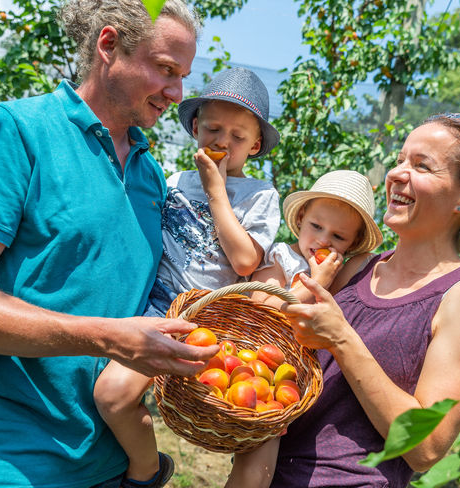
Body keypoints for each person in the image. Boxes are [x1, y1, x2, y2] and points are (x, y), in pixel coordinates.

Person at [0, 2, 223, 488]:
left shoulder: (149, 176)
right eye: (165, 70)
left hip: (107, 467)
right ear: (108, 46)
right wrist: (106, 335)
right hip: (7, 464)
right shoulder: (14, 132)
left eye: (183, 76)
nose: (177, 93)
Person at [226, 113, 460, 488]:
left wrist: (342, 339)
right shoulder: (356, 268)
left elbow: (426, 448)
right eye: (400, 160)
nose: (398, 173)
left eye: (421, 166)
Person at [92, 66, 282, 486]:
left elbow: (245, 261)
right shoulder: (170, 181)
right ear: (195, 127)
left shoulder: (260, 195)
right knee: (112, 395)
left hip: (208, 321)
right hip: (156, 308)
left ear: (254, 147)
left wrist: (216, 191)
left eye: (238, 137)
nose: (222, 142)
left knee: (248, 417)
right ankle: (148, 469)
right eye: (213, 128)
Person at [250, 170, 384, 308]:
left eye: (338, 236)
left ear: (353, 244)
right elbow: (260, 306)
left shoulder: (339, 275)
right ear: (301, 218)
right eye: (316, 226)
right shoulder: (282, 258)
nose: (323, 240)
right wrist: (318, 283)